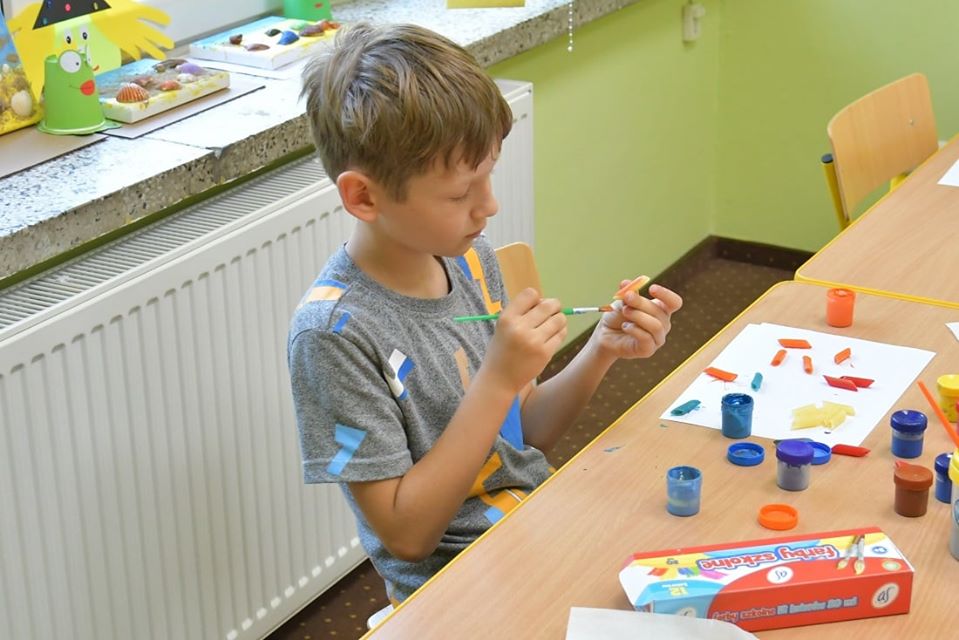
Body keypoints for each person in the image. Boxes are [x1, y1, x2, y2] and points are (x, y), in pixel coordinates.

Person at [288, 22, 683, 604]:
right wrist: (498, 378)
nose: (490, 205)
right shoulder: (334, 335)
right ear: (364, 197)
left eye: (488, 176)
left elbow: (526, 436)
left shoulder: (471, 262)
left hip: (538, 525)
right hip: (456, 587)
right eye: (459, 193)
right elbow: (408, 537)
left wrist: (602, 347)